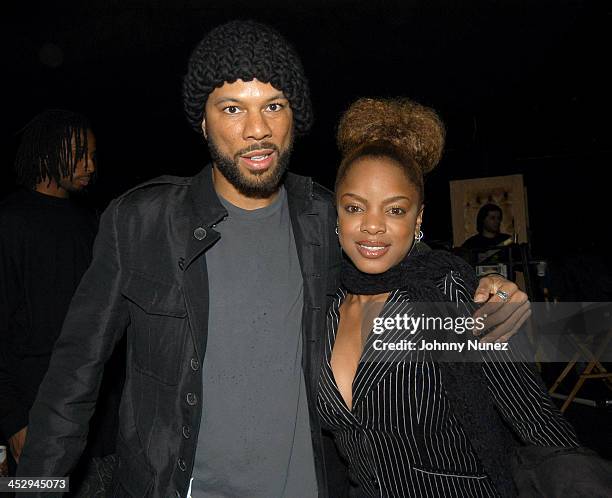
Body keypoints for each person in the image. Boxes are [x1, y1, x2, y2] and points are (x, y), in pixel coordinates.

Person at [18, 21, 529, 497]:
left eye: (275, 105)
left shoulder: (326, 218)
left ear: (295, 118)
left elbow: (402, 265)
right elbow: (72, 381)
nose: (257, 129)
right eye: (233, 108)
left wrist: (481, 288)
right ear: (202, 121)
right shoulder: (140, 222)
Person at [317, 97, 580, 497]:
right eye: (355, 208)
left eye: (395, 210)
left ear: (418, 218)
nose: (372, 226)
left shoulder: (449, 294)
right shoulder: (325, 307)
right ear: (337, 214)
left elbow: (533, 415)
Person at [0, 110, 121, 495]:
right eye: (81, 153)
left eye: (94, 155)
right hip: (37, 419)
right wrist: (15, 418)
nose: (90, 165)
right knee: (42, 491)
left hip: (96, 424)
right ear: (49, 152)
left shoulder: (91, 221)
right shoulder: (10, 222)